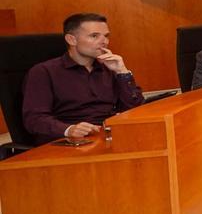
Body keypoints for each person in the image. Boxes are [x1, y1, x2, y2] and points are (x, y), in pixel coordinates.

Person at [22, 12, 145, 145]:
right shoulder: (43, 72)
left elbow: (135, 110)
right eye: (94, 36)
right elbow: (34, 119)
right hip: (69, 142)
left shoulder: (108, 68)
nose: (104, 42)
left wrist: (122, 72)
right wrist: (68, 130)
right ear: (71, 40)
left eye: (106, 36)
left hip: (109, 135)